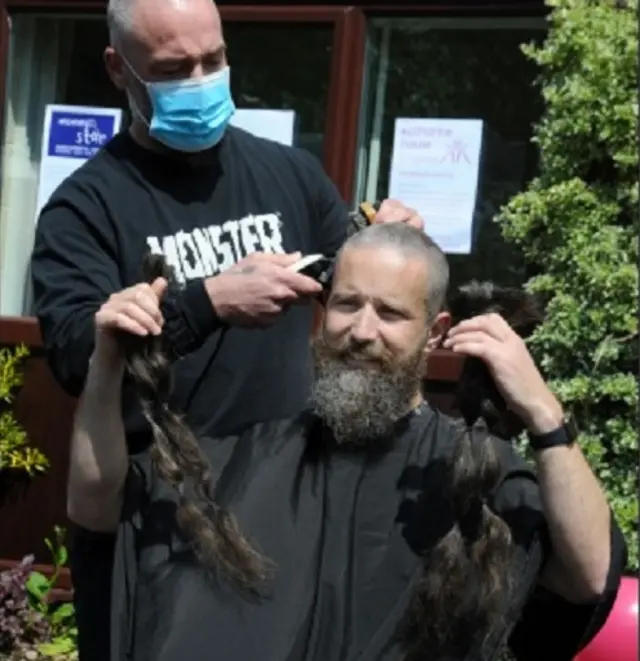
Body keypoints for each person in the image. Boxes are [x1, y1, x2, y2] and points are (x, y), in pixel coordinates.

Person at [29, 0, 420, 657]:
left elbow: (348, 283)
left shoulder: (286, 172)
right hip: (158, 531)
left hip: (286, 513)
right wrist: (208, 301)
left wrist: (389, 245)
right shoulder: (85, 208)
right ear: (118, 69)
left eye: (214, 59)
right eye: (176, 69)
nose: (203, 81)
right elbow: (75, 355)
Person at [68, 223, 626, 661]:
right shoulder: (245, 459)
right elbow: (98, 509)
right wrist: (107, 362)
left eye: (390, 313)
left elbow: (587, 577)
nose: (362, 331)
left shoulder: (472, 477)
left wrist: (544, 414)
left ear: (435, 332)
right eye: (347, 304)